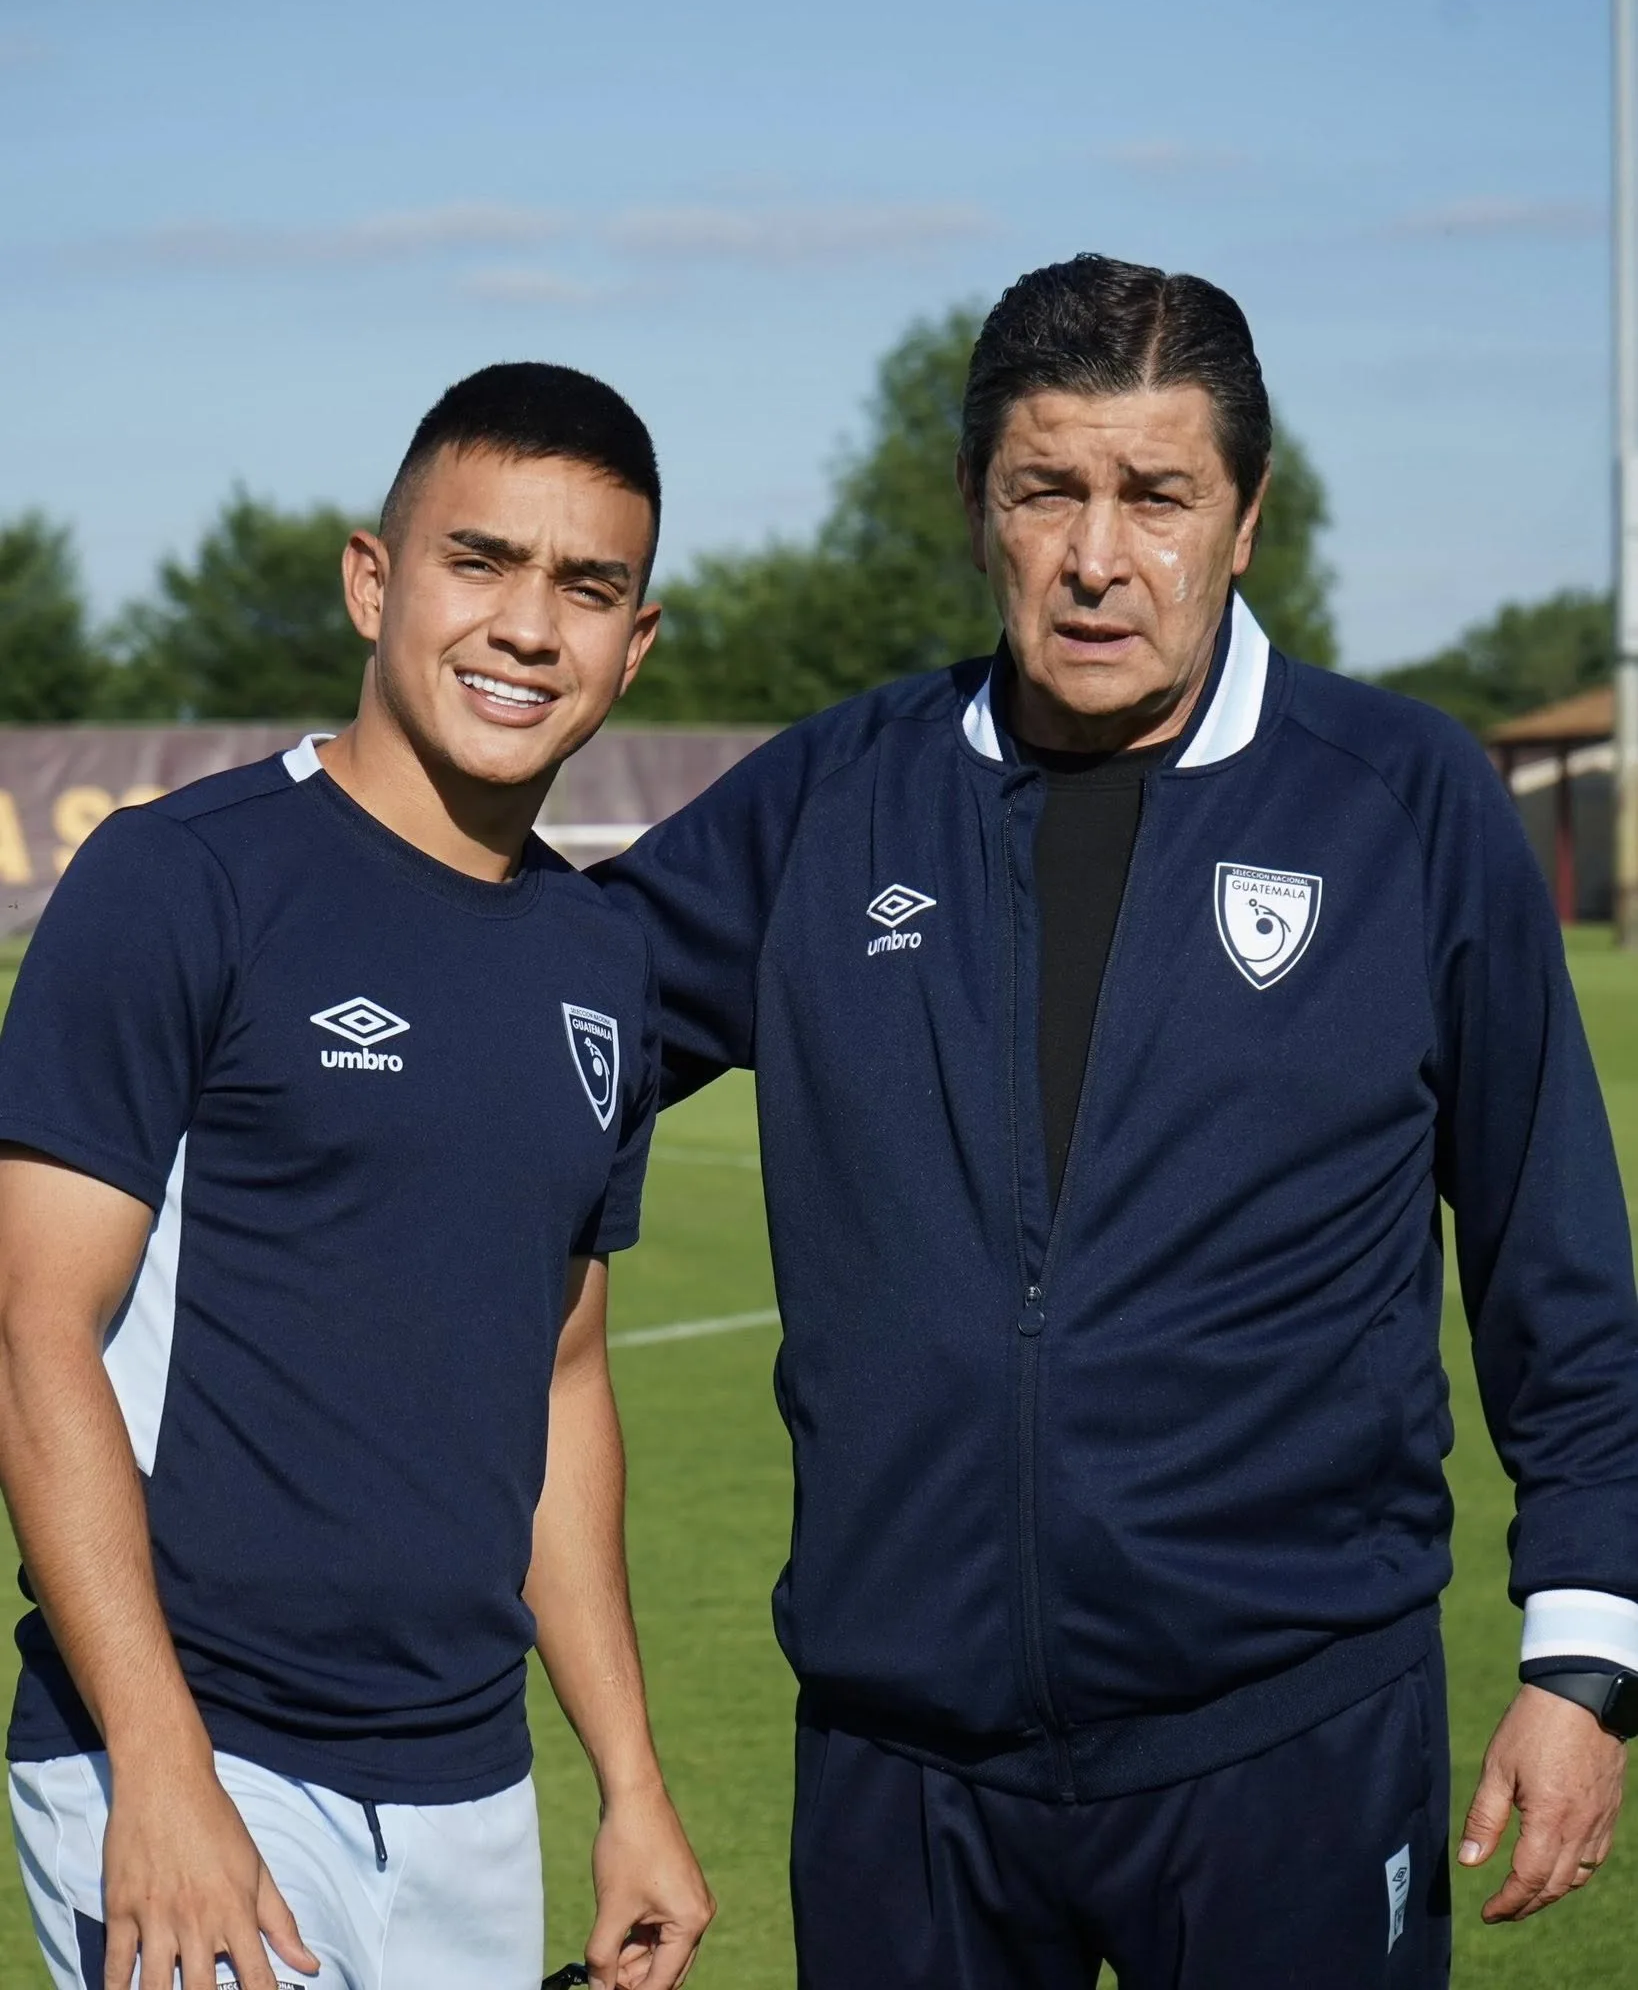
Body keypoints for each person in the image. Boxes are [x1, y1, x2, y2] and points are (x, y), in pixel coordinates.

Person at [600, 255, 1638, 1989]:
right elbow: (528, 1029)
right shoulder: (834, 798)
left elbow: (1556, 1258)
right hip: (900, 1762)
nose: (1097, 556)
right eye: (1046, 492)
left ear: (1245, 516)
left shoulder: (1401, 803)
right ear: (976, 506)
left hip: (1289, 1742)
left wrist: (1583, 1659)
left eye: (1155, 495)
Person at [0, 363, 713, 1990]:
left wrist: (631, 1785)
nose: (527, 628)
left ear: (635, 644)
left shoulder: (603, 959)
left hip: (471, 1791)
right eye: (481, 561)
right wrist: (162, 1771)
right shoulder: (182, 879)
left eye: (586, 587)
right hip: (197, 1755)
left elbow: (563, 1378)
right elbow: (32, 1330)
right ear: (372, 581)